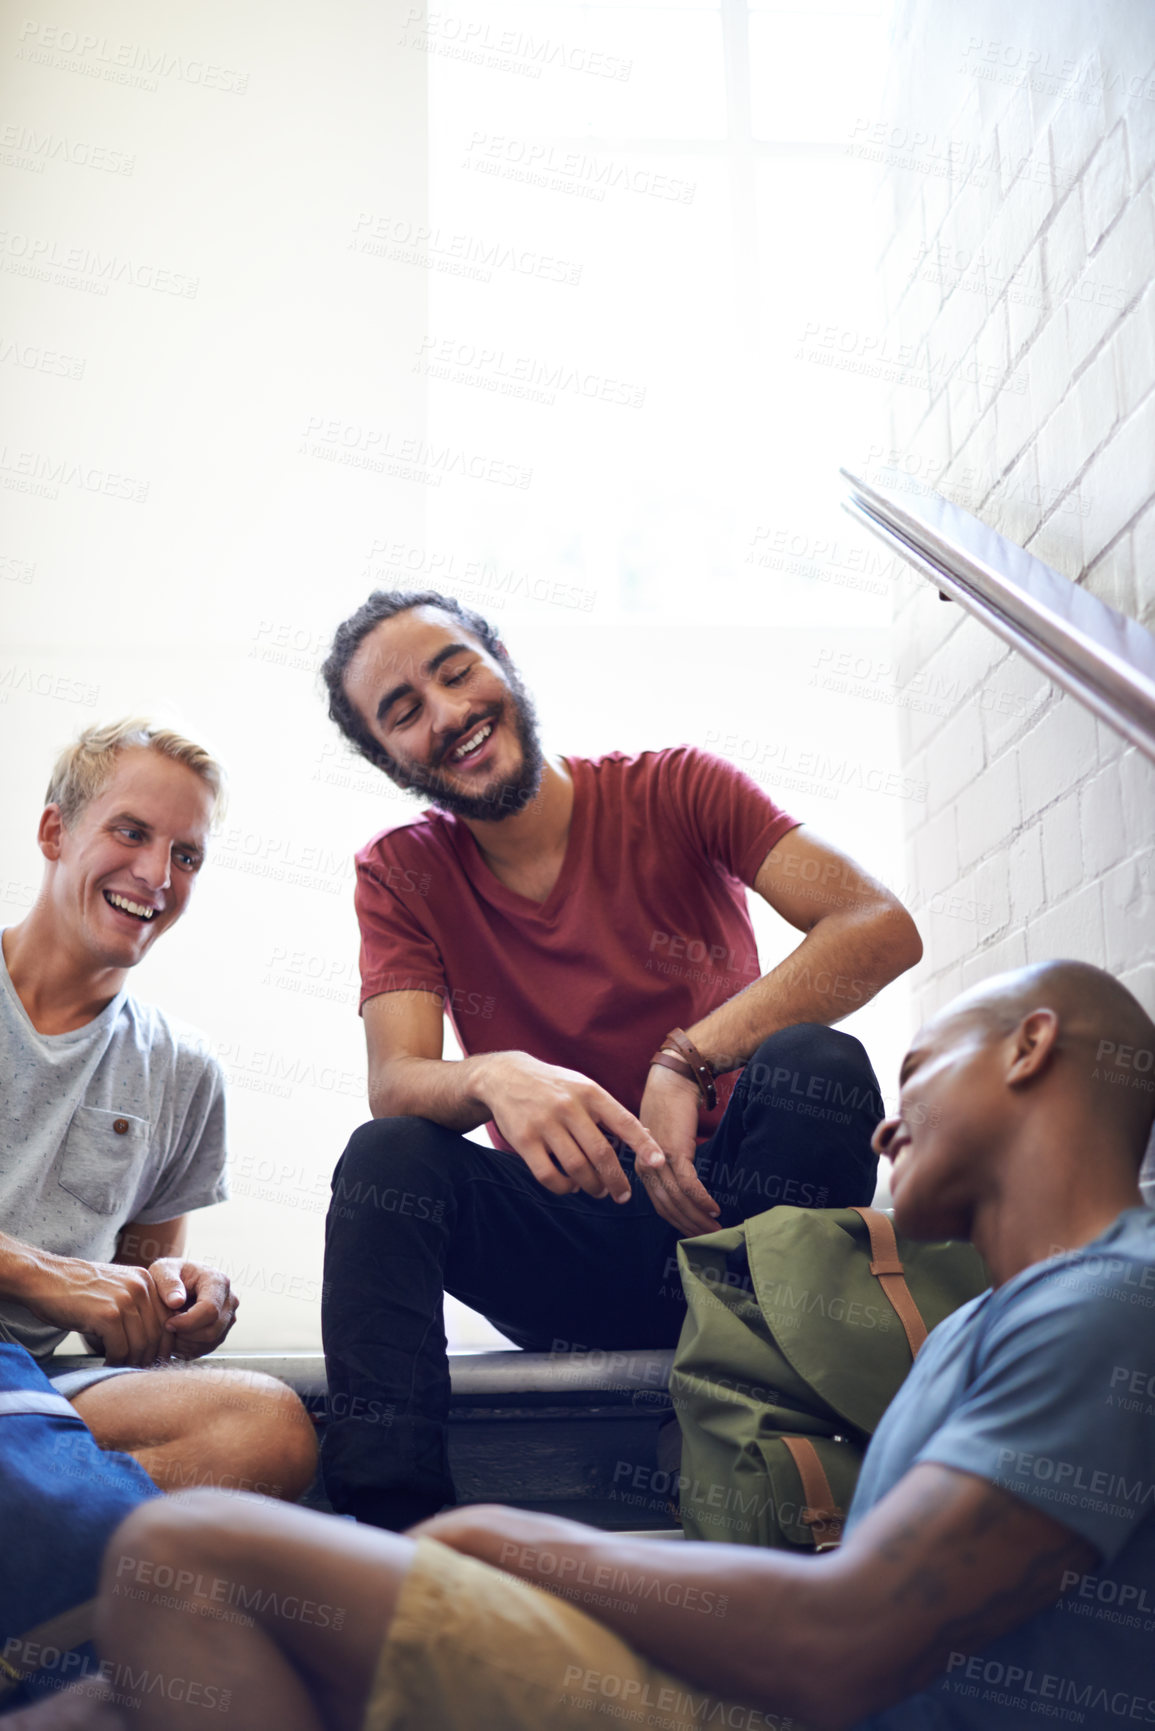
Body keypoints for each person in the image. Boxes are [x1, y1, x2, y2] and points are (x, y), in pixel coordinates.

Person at [14, 957, 1155, 1731]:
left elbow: (844, 1637)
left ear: (1031, 1048)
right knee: (125, 1686)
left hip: (812, 1704)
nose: (885, 1124)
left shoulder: (1109, 1305)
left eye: (916, 1077)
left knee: (193, 1551)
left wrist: (519, 1543)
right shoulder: (990, 1321)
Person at [315, 591, 923, 1528]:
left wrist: (687, 1058)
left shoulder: (678, 788)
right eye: (401, 712)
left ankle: (760, 1423)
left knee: (819, 1062)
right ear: (386, 758)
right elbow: (396, 1080)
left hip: (738, 1229)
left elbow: (877, 925)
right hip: (573, 1245)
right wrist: (489, 1073)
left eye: (453, 669)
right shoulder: (399, 870)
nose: (445, 713)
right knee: (385, 1156)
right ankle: (391, 1536)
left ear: (501, 660)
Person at [0, 719, 317, 1499]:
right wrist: (44, 1275)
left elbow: (133, 1313)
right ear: (54, 831)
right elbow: (72, 1284)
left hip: (34, 1397)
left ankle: (45, 1515)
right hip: (24, 1408)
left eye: (186, 855)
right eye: (131, 832)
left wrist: (175, 1296)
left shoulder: (183, 1068)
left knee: (264, 1427)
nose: (155, 874)